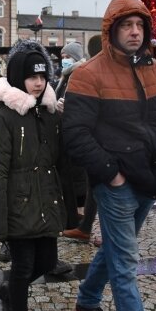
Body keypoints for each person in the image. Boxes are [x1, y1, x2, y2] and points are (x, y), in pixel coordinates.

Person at [63, 0, 156, 311]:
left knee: (116, 248)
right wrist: (111, 175)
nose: (134, 32)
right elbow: (75, 134)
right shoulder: (89, 73)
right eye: (127, 25)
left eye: (140, 25)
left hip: (149, 180)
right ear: (112, 30)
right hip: (116, 185)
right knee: (126, 262)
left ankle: (86, 301)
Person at [0, 41, 66, 311]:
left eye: (43, 77)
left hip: (45, 203)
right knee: (22, 266)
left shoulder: (48, 114)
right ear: (20, 78)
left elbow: (58, 159)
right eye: (32, 77)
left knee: (46, 262)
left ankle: (9, 291)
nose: (38, 82)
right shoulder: (6, 118)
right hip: (18, 206)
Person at [56, 41, 102, 247]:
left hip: (79, 135)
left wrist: (69, 110)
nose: (63, 59)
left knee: (85, 181)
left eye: (66, 55)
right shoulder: (65, 76)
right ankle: (80, 224)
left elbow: (87, 105)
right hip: (67, 134)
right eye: (61, 55)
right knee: (79, 180)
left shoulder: (80, 74)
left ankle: (84, 223)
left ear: (74, 57)